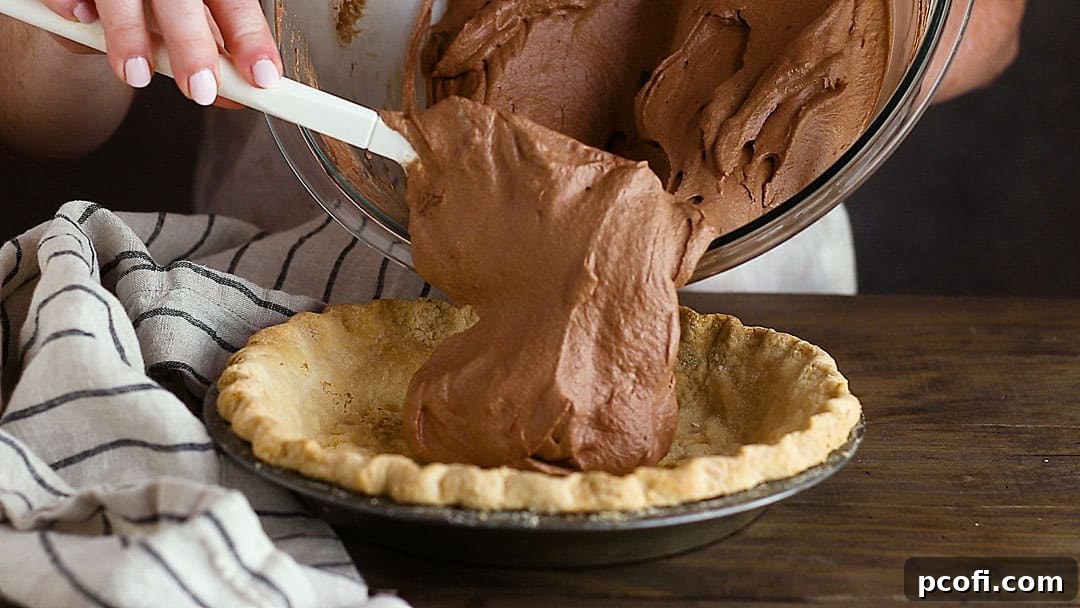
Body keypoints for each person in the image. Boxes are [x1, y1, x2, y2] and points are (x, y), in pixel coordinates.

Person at [0, 0, 1028, 295]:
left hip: (753, 292)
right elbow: (43, 111)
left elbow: (986, 29)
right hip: (285, 313)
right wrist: (89, 23)